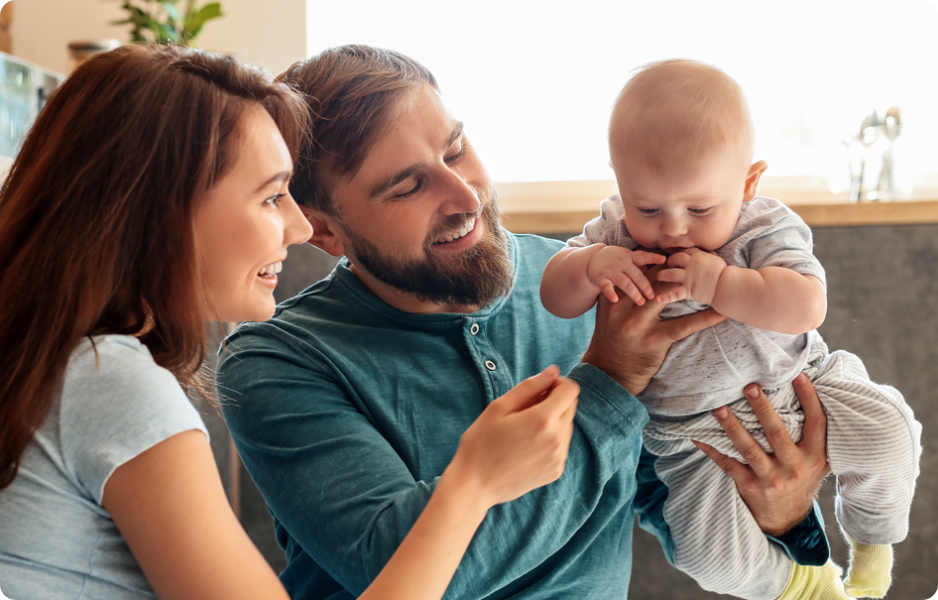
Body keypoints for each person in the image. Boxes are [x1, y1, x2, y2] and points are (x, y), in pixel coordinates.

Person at [217, 45, 836, 600]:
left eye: (456, 148)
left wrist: (783, 513)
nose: (465, 195)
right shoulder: (276, 363)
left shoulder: (590, 280)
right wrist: (609, 381)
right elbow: (402, 576)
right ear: (322, 229)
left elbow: (672, 485)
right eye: (408, 186)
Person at [0, 44, 581, 600]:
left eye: (454, 151)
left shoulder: (63, 366)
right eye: (272, 197)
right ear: (167, 214)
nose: (300, 231)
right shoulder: (113, 383)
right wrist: (471, 484)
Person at [540, 59, 922, 599]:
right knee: (709, 556)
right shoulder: (614, 234)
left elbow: (807, 305)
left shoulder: (762, 226)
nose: (672, 226)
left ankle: (872, 541)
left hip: (799, 383)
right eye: (647, 205)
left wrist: (722, 282)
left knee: (890, 431)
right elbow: (553, 297)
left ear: (748, 182)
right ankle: (804, 584)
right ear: (620, 184)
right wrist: (586, 267)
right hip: (689, 434)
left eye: (699, 207)